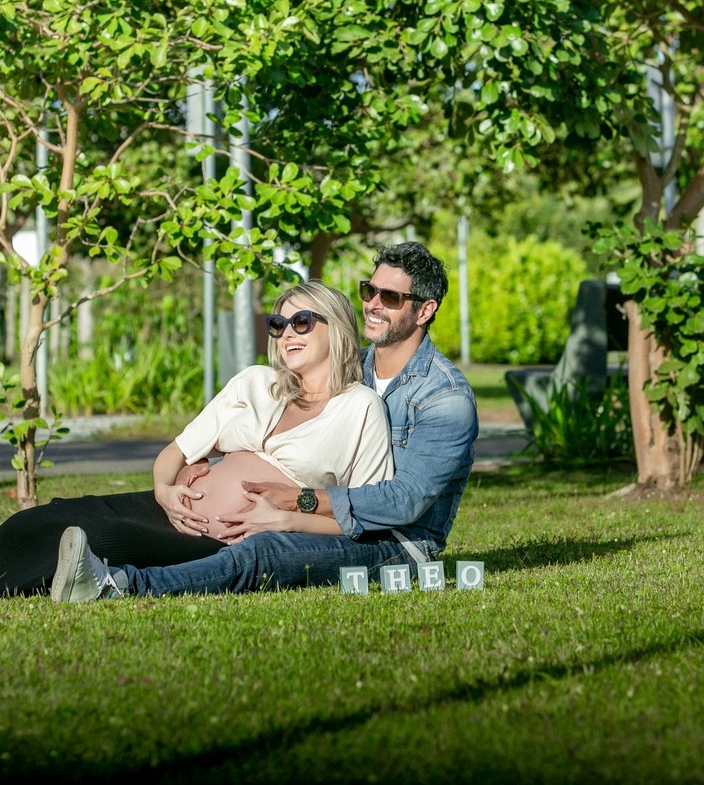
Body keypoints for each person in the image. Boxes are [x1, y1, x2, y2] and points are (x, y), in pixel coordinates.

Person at [0, 280, 393, 597]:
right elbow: (175, 453)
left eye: (302, 322)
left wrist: (287, 521)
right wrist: (165, 490)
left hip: (216, 539)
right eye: (279, 324)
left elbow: (370, 519)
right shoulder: (255, 382)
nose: (287, 334)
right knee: (58, 513)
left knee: (96, 540)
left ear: (337, 328)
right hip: (172, 507)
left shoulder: (360, 409)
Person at [50, 240, 479, 602]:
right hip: (297, 521)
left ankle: (120, 587)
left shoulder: (445, 399)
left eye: (391, 298)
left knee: (265, 552)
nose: (372, 304)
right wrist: (201, 465)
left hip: (395, 544)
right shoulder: (353, 368)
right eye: (369, 291)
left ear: (424, 311)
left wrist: (298, 503)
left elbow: (402, 503)